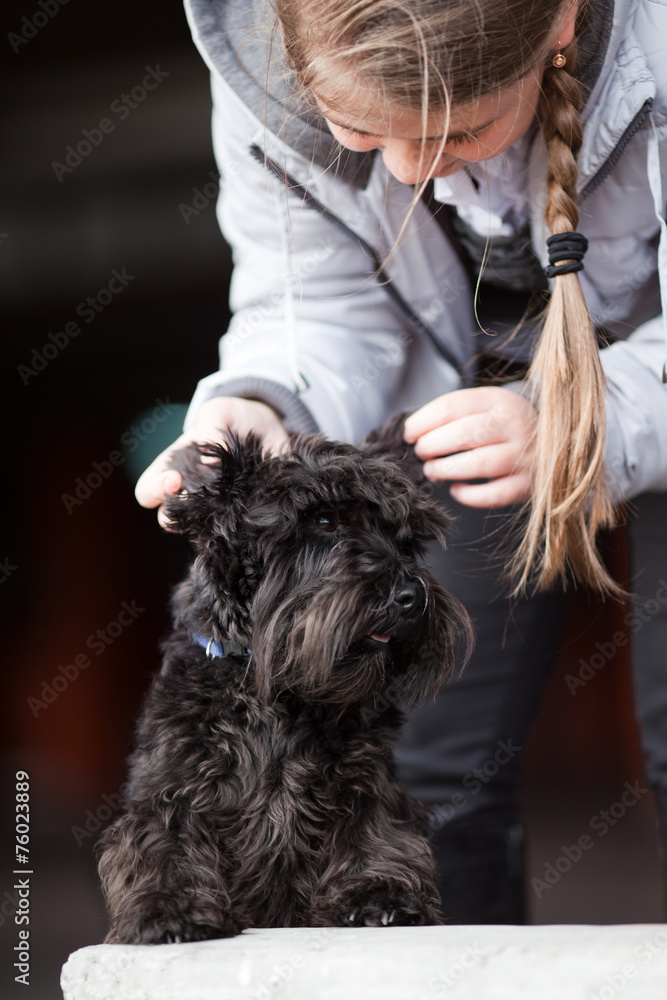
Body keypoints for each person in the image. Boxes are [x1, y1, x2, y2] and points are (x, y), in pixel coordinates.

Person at [137, 0, 667, 921]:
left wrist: (589, 419)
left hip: (634, 371)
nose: (409, 171)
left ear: (561, 25)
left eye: (458, 130)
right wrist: (265, 401)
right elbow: (318, 301)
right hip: (456, 403)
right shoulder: (275, 54)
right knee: (428, 759)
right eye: (356, 131)